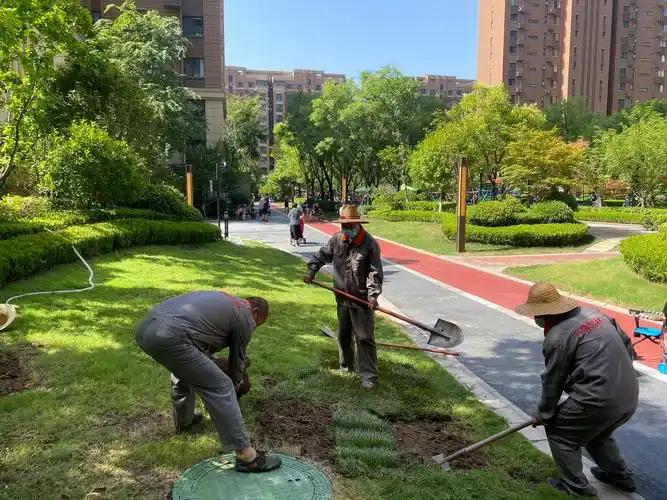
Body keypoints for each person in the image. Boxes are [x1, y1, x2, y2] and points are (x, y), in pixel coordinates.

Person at [135, 291, 281, 473]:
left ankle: (185, 420)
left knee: (186, 369)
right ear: (256, 312)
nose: (253, 328)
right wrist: (236, 384)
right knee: (221, 386)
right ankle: (247, 457)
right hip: (173, 335)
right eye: (257, 325)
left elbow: (200, 342)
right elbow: (238, 360)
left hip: (146, 328)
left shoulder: (226, 302)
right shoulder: (244, 314)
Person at [515, 282, 638, 496]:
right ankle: (620, 477)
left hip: (598, 400)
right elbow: (626, 343)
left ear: (543, 314)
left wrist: (544, 414)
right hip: (629, 393)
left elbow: (553, 380)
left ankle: (577, 488)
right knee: (597, 433)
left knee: (560, 434)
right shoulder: (594, 314)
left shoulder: (557, 338)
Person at [303, 205, 383, 389]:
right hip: (341, 297)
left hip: (361, 300)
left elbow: (375, 273)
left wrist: (372, 295)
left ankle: (368, 376)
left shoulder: (370, 244)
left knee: (364, 337)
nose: (345, 229)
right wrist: (311, 270)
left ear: (356, 223)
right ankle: (346, 366)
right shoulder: (337, 239)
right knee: (343, 335)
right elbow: (322, 255)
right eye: (343, 225)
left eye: (348, 225)